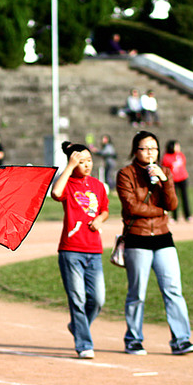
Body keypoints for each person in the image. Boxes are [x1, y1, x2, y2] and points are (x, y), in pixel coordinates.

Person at [115, 131, 193, 356]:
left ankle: (181, 340)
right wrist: (159, 211)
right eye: (144, 149)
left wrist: (165, 180)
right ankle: (133, 339)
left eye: (153, 148)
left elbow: (172, 204)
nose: (150, 153)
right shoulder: (126, 174)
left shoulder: (165, 172)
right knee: (137, 293)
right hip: (137, 238)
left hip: (163, 238)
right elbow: (132, 207)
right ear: (135, 151)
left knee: (173, 290)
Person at [51, 141, 109, 359]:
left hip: (94, 250)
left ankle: (77, 326)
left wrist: (100, 219)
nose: (87, 165)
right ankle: (84, 344)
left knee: (98, 299)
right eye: (81, 161)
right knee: (77, 299)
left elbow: (105, 210)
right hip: (71, 250)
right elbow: (56, 193)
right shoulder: (68, 184)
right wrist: (69, 167)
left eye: (89, 160)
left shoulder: (97, 185)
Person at [161, 140, 191, 222]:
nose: (178, 148)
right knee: (174, 198)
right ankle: (175, 217)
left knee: (184, 197)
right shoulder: (166, 156)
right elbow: (166, 166)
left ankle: (187, 215)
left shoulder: (180, 155)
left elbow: (183, 163)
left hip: (182, 178)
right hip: (173, 180)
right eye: (176, 146)